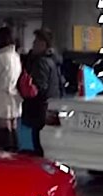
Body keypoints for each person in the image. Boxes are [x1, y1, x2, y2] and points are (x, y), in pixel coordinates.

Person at [22, 28, 62, 156]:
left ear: (43, 44)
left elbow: (40, 86)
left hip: (40, 108)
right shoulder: (53, 61)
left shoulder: (41, 62)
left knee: (39, 143)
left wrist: (29, 88)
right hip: (50, 106)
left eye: (36, 42)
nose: (33, 45)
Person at [0, 26, 22, 150]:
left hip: (1, 98)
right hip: (13, 96)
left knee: (4, 130)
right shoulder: (16, 57)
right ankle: (16, 154)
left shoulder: (0, 57)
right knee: (13, 127)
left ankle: (7, 155)